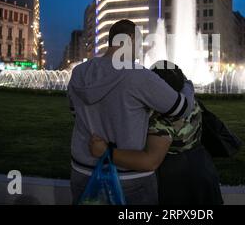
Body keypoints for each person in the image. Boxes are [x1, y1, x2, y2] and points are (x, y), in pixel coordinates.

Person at [67, 20, 195, 205]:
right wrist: (187, 85)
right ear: (131, 39)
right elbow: (181, 108)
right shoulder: (138, 76)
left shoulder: (79, 72)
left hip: (82, 172)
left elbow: (75, 112)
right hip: (129, 179)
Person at [89, 61, 224, 205]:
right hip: (202, 170)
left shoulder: (163, 119)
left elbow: (151, 161)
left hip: (178, 183)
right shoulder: (188, 98)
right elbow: (186, 83)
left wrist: (106, 152)